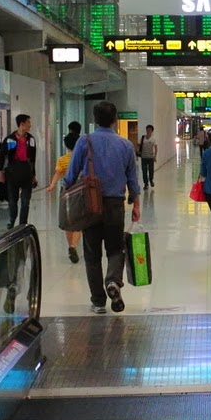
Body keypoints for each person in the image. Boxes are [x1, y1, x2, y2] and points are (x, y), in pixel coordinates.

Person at [64, 101, 142, 313]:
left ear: (94, 119)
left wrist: (65, 191)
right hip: (115, 204)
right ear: (115, 119)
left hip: (90, 204)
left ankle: (98, 302)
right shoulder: (125, 145)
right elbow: (133, 179)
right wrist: (136, 204)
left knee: (92, 253)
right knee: (116, 248)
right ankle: (113, 281)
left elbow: (71, 175)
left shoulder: (84, 141)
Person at [43, 134, 82, 263]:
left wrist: (52, 185)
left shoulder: (62, 160)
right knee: (79, 221)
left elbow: (58, 173)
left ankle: (70, 245)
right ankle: (73, 246)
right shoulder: (82, 158)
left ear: (66, 146)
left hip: (66, 192)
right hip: (79, 191)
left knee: (67, 220)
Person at [0, 114, 37, 230]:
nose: (30, 125)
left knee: (25, 201)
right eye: (28, 122)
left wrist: (33, 175)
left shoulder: (31, 139)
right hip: (13, 171)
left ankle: (22, 224)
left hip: (26, 171)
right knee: (13, 200)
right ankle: (12, 219)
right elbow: (2, 156)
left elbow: (33, 159)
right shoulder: (9, 139)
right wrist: (0, 172)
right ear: (22, 124)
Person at [138, 124, 158, 188]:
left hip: (151, 157)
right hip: (143, 157)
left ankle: (151, 180)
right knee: (144, 171)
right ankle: (146, 183)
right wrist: (138, 152)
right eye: (147, 130)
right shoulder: (142, 138)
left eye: (150, 130)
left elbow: (156, 148)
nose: (148, 131)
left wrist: (155, 156)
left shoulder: (153, 139)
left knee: (151, 170)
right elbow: (139, 145)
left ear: (152, 131)